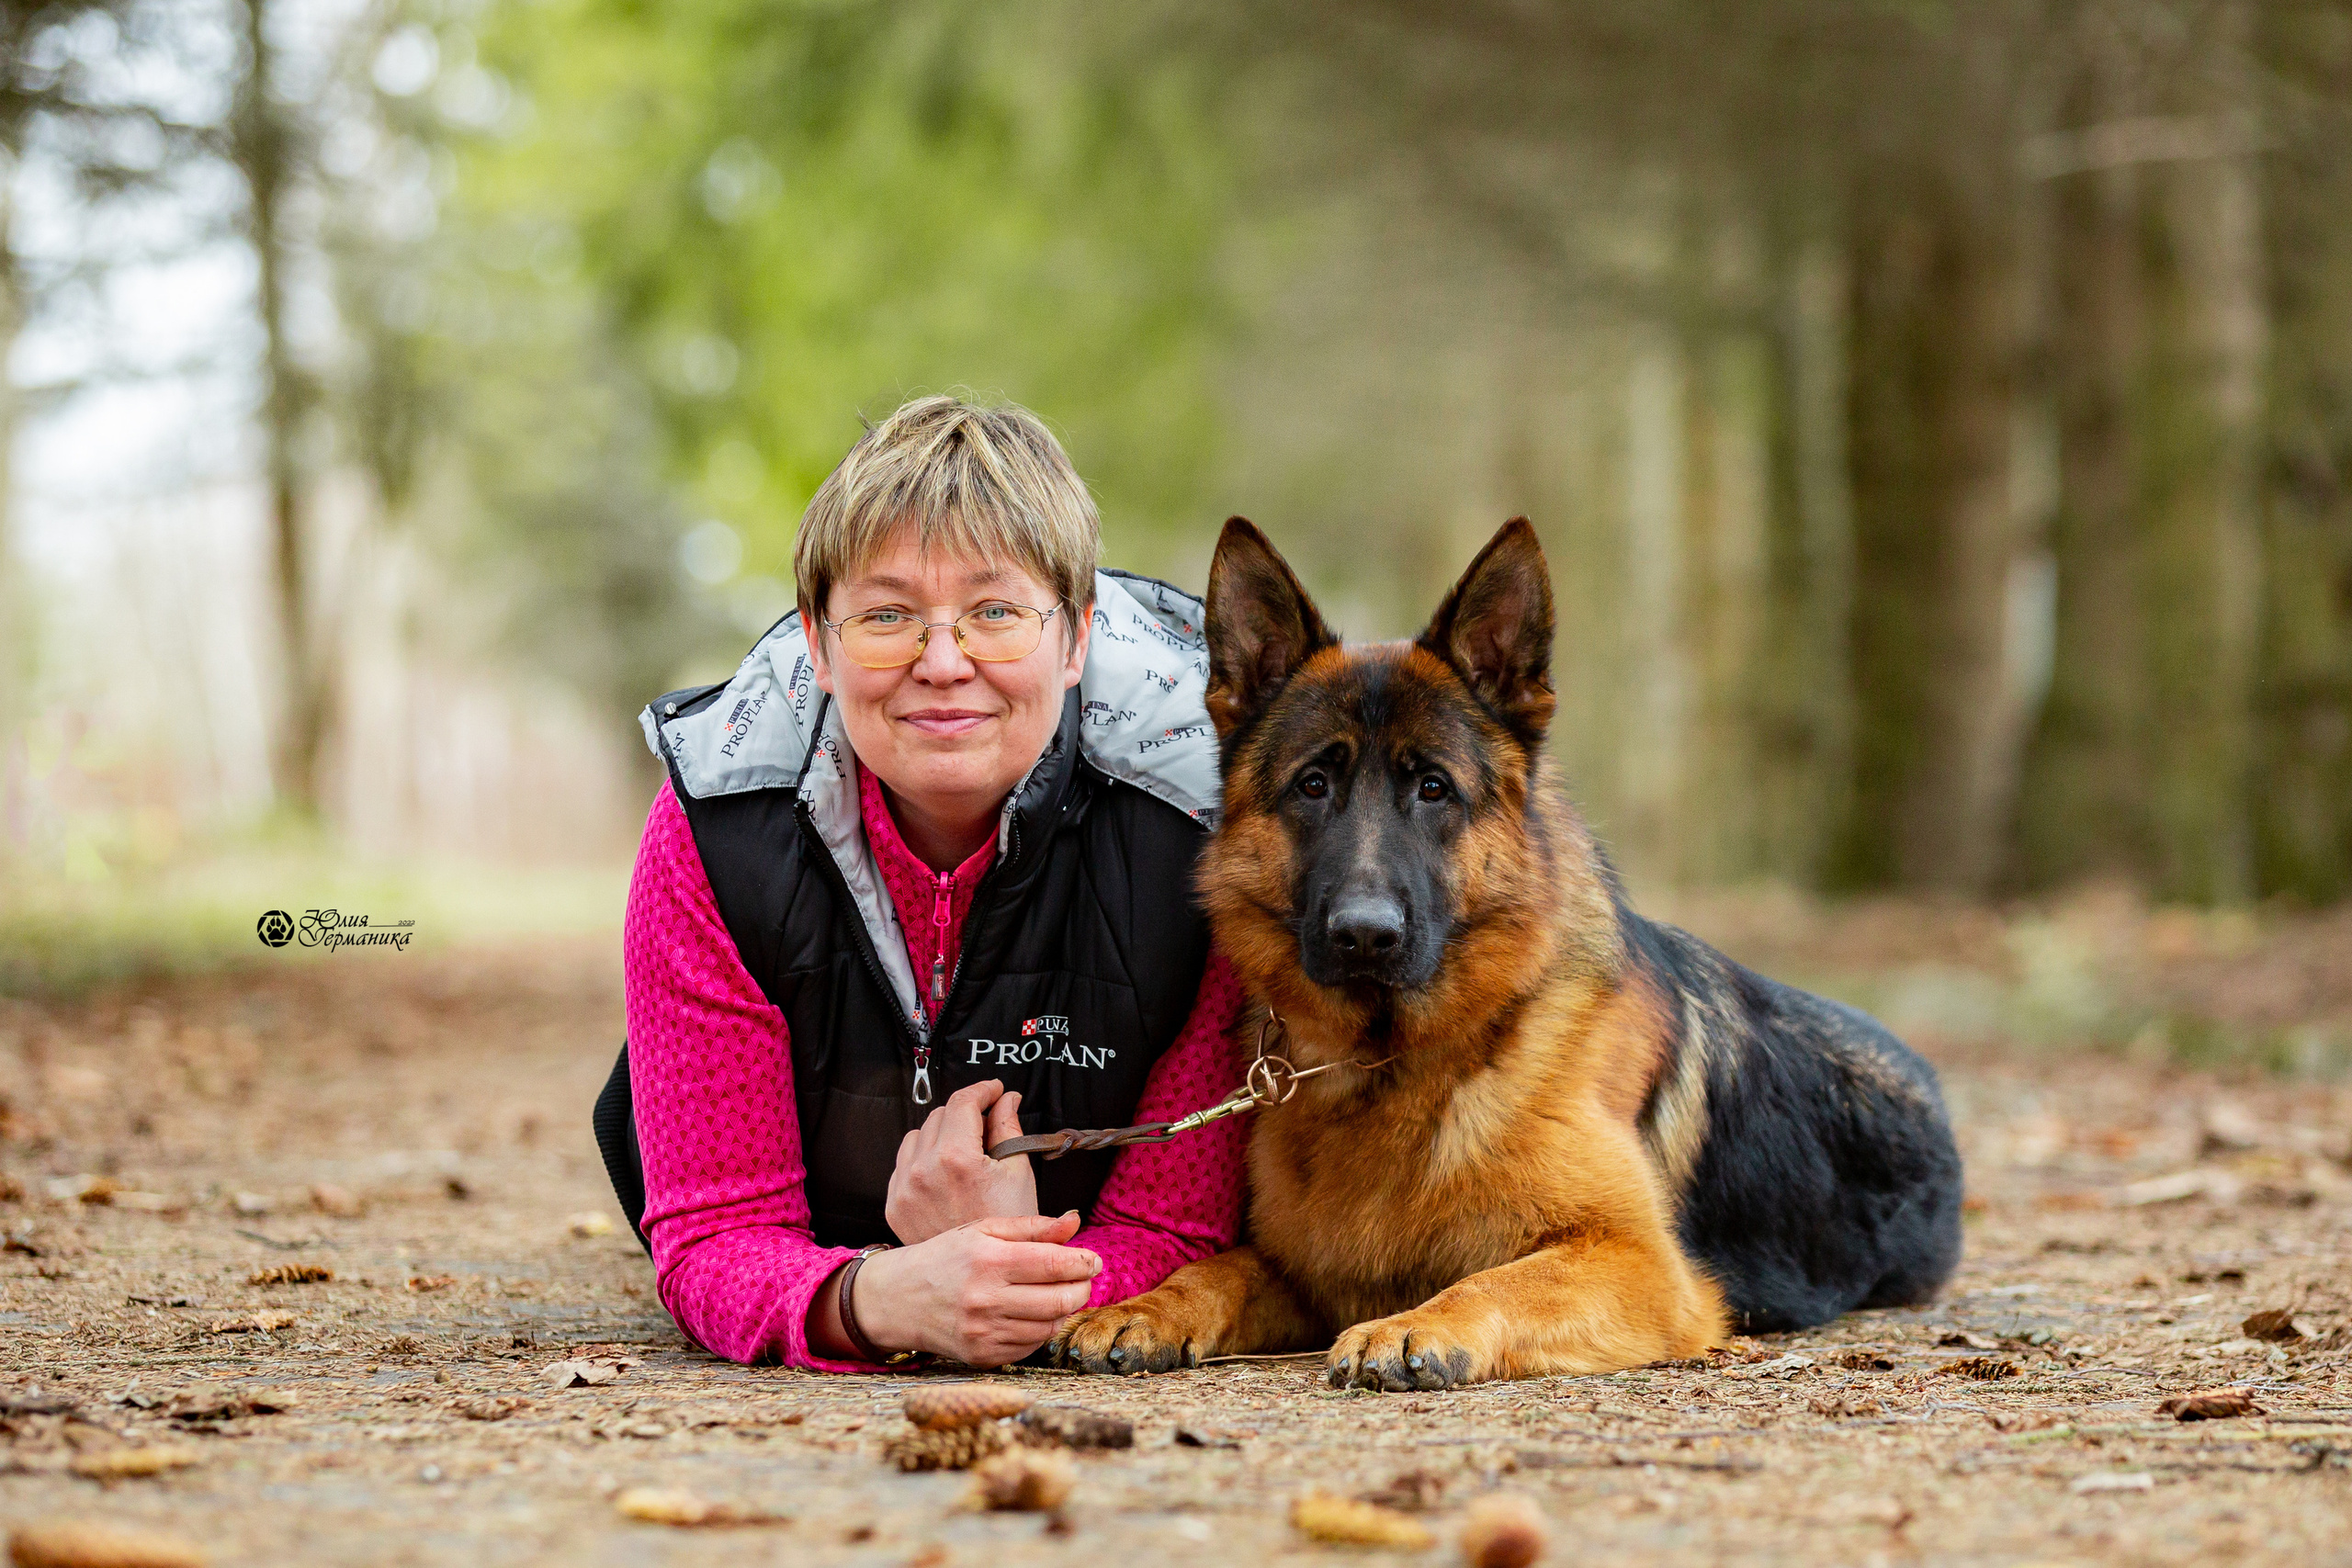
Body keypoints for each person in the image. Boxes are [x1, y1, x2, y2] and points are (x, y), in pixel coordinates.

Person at [593, 395, 1248, 1369]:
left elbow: (1182, 1232)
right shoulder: (716, 827)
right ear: (818, 643)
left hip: (1068, 1224)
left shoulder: (1206, 833)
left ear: (1075, 640)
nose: (942, 664)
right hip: (827, 1247)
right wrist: (878, 1299)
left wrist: (996, 1272)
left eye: (994, 613)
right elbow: (714, 1237)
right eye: (887, 616)